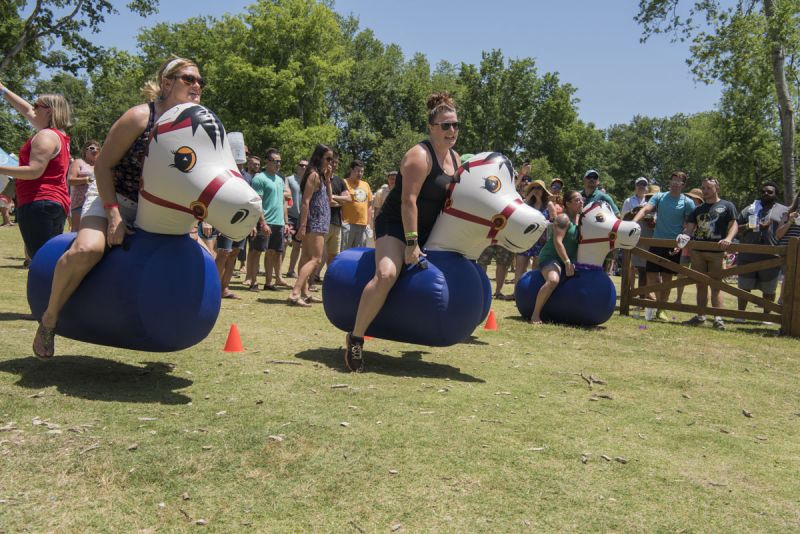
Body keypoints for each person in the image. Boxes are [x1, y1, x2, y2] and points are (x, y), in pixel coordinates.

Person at [27, 57, 204, 358]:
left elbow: (190, 179)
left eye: (201, 81)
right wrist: (113, 214)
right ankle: (49, 319)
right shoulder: (138, 117)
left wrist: (193, 224)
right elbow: (103, 166)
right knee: (88, 250)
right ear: (166, 83)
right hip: (114, 195)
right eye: (189, 79)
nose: (197, 85)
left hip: (156, 207)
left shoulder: (194, 127)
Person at [344, 92, 460, 372]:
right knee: (387, 275)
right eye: (446, 125)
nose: (452, 131)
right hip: (396, 225)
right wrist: (411, 244)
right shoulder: (418, 156)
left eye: (456, 125)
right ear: (431, 127)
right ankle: (356, 337)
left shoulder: (455, 159)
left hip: (427, 228)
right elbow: (408, 201)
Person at [0, 83, 72, 259]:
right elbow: (24, 109)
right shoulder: (58, 134)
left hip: (39, 202)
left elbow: (34, 171)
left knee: (41, 262)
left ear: (49, 111)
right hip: (52, 202)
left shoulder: (45, 136)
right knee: (49, 260)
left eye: (37, 105)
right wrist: (3, 90)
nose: (33, 108)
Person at [632, 171, 696, 321]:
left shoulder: (687, 202)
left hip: (673, 245)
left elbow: (690, 225)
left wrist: (681, 243)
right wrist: (633, 222)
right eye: (673, 180)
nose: (674, 184)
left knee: (667, 278)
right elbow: (646, 209)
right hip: (656, 242)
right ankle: (652, 307)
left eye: (678, 181)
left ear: (683, 185)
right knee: (651, 276)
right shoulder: (659, 196)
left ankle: (662, 309)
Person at [682, 178, 738, 330]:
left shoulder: (727, 205)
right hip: (698, 252)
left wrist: (728, 238)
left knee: (716, 286)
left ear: (717, 188)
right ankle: (701, 316)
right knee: (700, 285)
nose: (705, 190)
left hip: (717, 252)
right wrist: (681, 240)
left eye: (708, 187)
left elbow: (734, 225)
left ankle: (718, 318)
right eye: (703, 188)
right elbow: (689, 231)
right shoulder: (698, 209)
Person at [287, 144, 333, 307]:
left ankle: (305, 292)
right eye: (328, 158)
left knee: (306, 257)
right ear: (319, 157)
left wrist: (328, 180)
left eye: (332, 159)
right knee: (316, 259)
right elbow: (305, 202)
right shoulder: (313, 175)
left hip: (319, 222)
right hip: (314, 222)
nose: (330, 162)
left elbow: (329, 199)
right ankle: (295, 292)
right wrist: (303, 226)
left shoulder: (320, 176)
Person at [734, 181, 788, 319]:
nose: (766, 194)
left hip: (771, 256)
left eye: (770, 192)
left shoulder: (784, 211)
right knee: (744, 287)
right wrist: (751, 226)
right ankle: (741, 315)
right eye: (763, 191)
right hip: (748, 255)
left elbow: (788, 231)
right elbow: (735, 230)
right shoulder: (750, 209)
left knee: (769, 289)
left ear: (776, 194)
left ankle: (767, 317)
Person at [529, 190, 583, 324]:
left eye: (581, 199)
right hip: (550, 257)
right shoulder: (562, 219)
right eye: (577, 200)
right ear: (568, 203)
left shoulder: (581, 220)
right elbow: (557, 242)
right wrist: (567, 261)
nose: (581, 202)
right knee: (553, 280)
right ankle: (535, 315)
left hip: (566, 260)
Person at [248, 149, 290, 291]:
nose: (278, 164)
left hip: (278, 222)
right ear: (267, 162)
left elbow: (283, 202)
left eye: (279, 161)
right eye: (275, 161)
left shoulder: (280, 179)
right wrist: (263, 222)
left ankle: (268, 283)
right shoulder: (259, 179)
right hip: (264, 221)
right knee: (256, 252)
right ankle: (253, 282)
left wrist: (285, 222)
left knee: (272, 252)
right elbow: (257, 203)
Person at [515, 179, 557, 284]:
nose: (536, 190)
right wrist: (530, 197)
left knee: (536, 268)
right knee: (520, 266)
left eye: (539, 188)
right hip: (525, 239)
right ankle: (516, 293)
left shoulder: (549, 205)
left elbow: (555, 221)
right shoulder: (527, 203)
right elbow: (519, 209)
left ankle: (531, 292)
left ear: (543, 191)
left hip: (541, 241)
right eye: (534, 188)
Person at [67, 139, 100, 232]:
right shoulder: (78, 162)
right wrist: (88, 179)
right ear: (85, 151)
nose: (95, 150)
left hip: (96, 203)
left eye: (98, 148)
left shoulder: (100, 165)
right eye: (92, 148)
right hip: (79, 204)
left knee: (93, 231)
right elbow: (70, 180)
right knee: (76, 232)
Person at [341, 159, 373, 250]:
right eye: (358, 171)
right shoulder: (344, 182)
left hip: (363, 225)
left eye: (362, 171)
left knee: (358, 253)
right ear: (351, 170)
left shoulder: (366, 184)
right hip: (347, 224)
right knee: (345, 252)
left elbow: (369, 205)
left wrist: (368, 223)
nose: (360, 173)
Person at [776, 190, 800, 307]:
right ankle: (782, 302)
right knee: (788, 277)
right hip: (787, 252)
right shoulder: (787, 212)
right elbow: (779, 234)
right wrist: (790, 220)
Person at [284, 159, 306, 278]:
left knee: (297, 246)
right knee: (285, 242)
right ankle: (277, 271)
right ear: (296, 166)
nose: (303, 167)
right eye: (301, 165)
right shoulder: (289, 179)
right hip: (290, 216)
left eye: (306, 166)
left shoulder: (308, 181)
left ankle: (291, 270)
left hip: (302, 217)